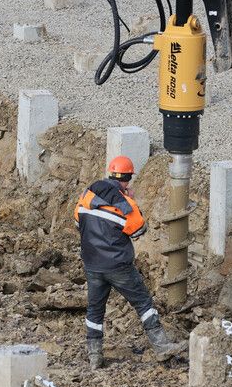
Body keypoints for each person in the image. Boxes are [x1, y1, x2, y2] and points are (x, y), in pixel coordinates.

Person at [73, 155, 185, 369]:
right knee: (143, 303)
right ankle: (161, 346)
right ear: (128, 179)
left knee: (95, 310)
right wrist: (132, 201)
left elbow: (78, 222)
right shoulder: (125, 203)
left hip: (92, 264)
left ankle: (94, 357)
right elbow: (139, 230)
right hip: (118, 266)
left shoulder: (89, 193)